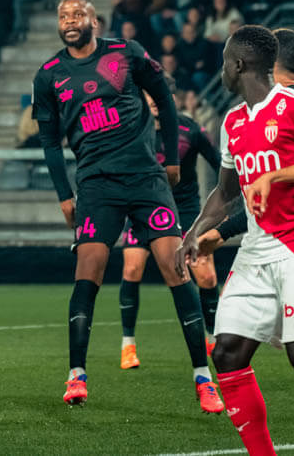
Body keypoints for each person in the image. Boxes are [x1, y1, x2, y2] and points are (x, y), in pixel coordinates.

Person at [177, 25, 294, 455]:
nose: (220, 71)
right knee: (226, 354)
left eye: (224, 62)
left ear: (238, 64)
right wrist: (194, 232)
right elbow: (225, 191)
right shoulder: (232, 122)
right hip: (255, 251)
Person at [31, 0, 220, 411]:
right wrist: (64, 195)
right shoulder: (48, 76)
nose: (70, 20)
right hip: (96, 184)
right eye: (63, 15)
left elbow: (165, 99)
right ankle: (76, 375)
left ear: (94, 21)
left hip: (146, 179)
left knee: (176, 269)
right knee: (88, 272)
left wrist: (171, 160)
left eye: (78, 13)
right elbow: (49, 141)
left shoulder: (126, 53)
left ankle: (203, 378)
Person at [118, 74, 221, 370]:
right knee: (132, 268)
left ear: (171, 98)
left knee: (206, 277)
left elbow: (221, 166)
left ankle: (212, 339)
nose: (152, 100)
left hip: (185, 212)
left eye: (158, 94)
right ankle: (128, 345)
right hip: (143, 208)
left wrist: (224, 205)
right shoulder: (131, 128)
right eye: (147, 94)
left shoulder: (191, 129)